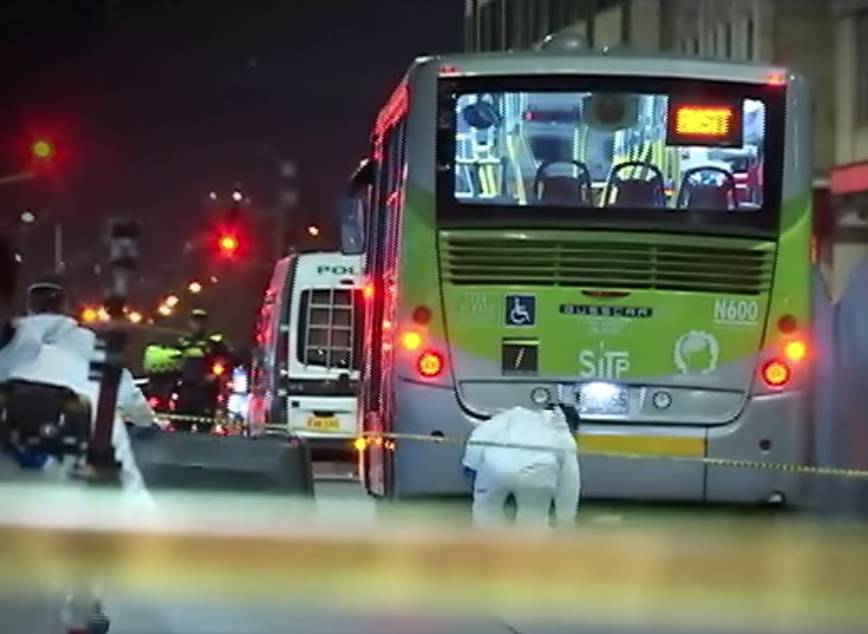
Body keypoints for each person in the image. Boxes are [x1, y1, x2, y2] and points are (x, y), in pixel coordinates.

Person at [463, 403, 581, 529]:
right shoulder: (564, 435)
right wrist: (566, 521)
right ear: (571, 425)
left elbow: (480, 435)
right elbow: (569, 483)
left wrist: (471, 464)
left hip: (495, 466)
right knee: (533, 517)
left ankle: (486, 541)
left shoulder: (514, 413)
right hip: (536, 472)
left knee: (487, 511)